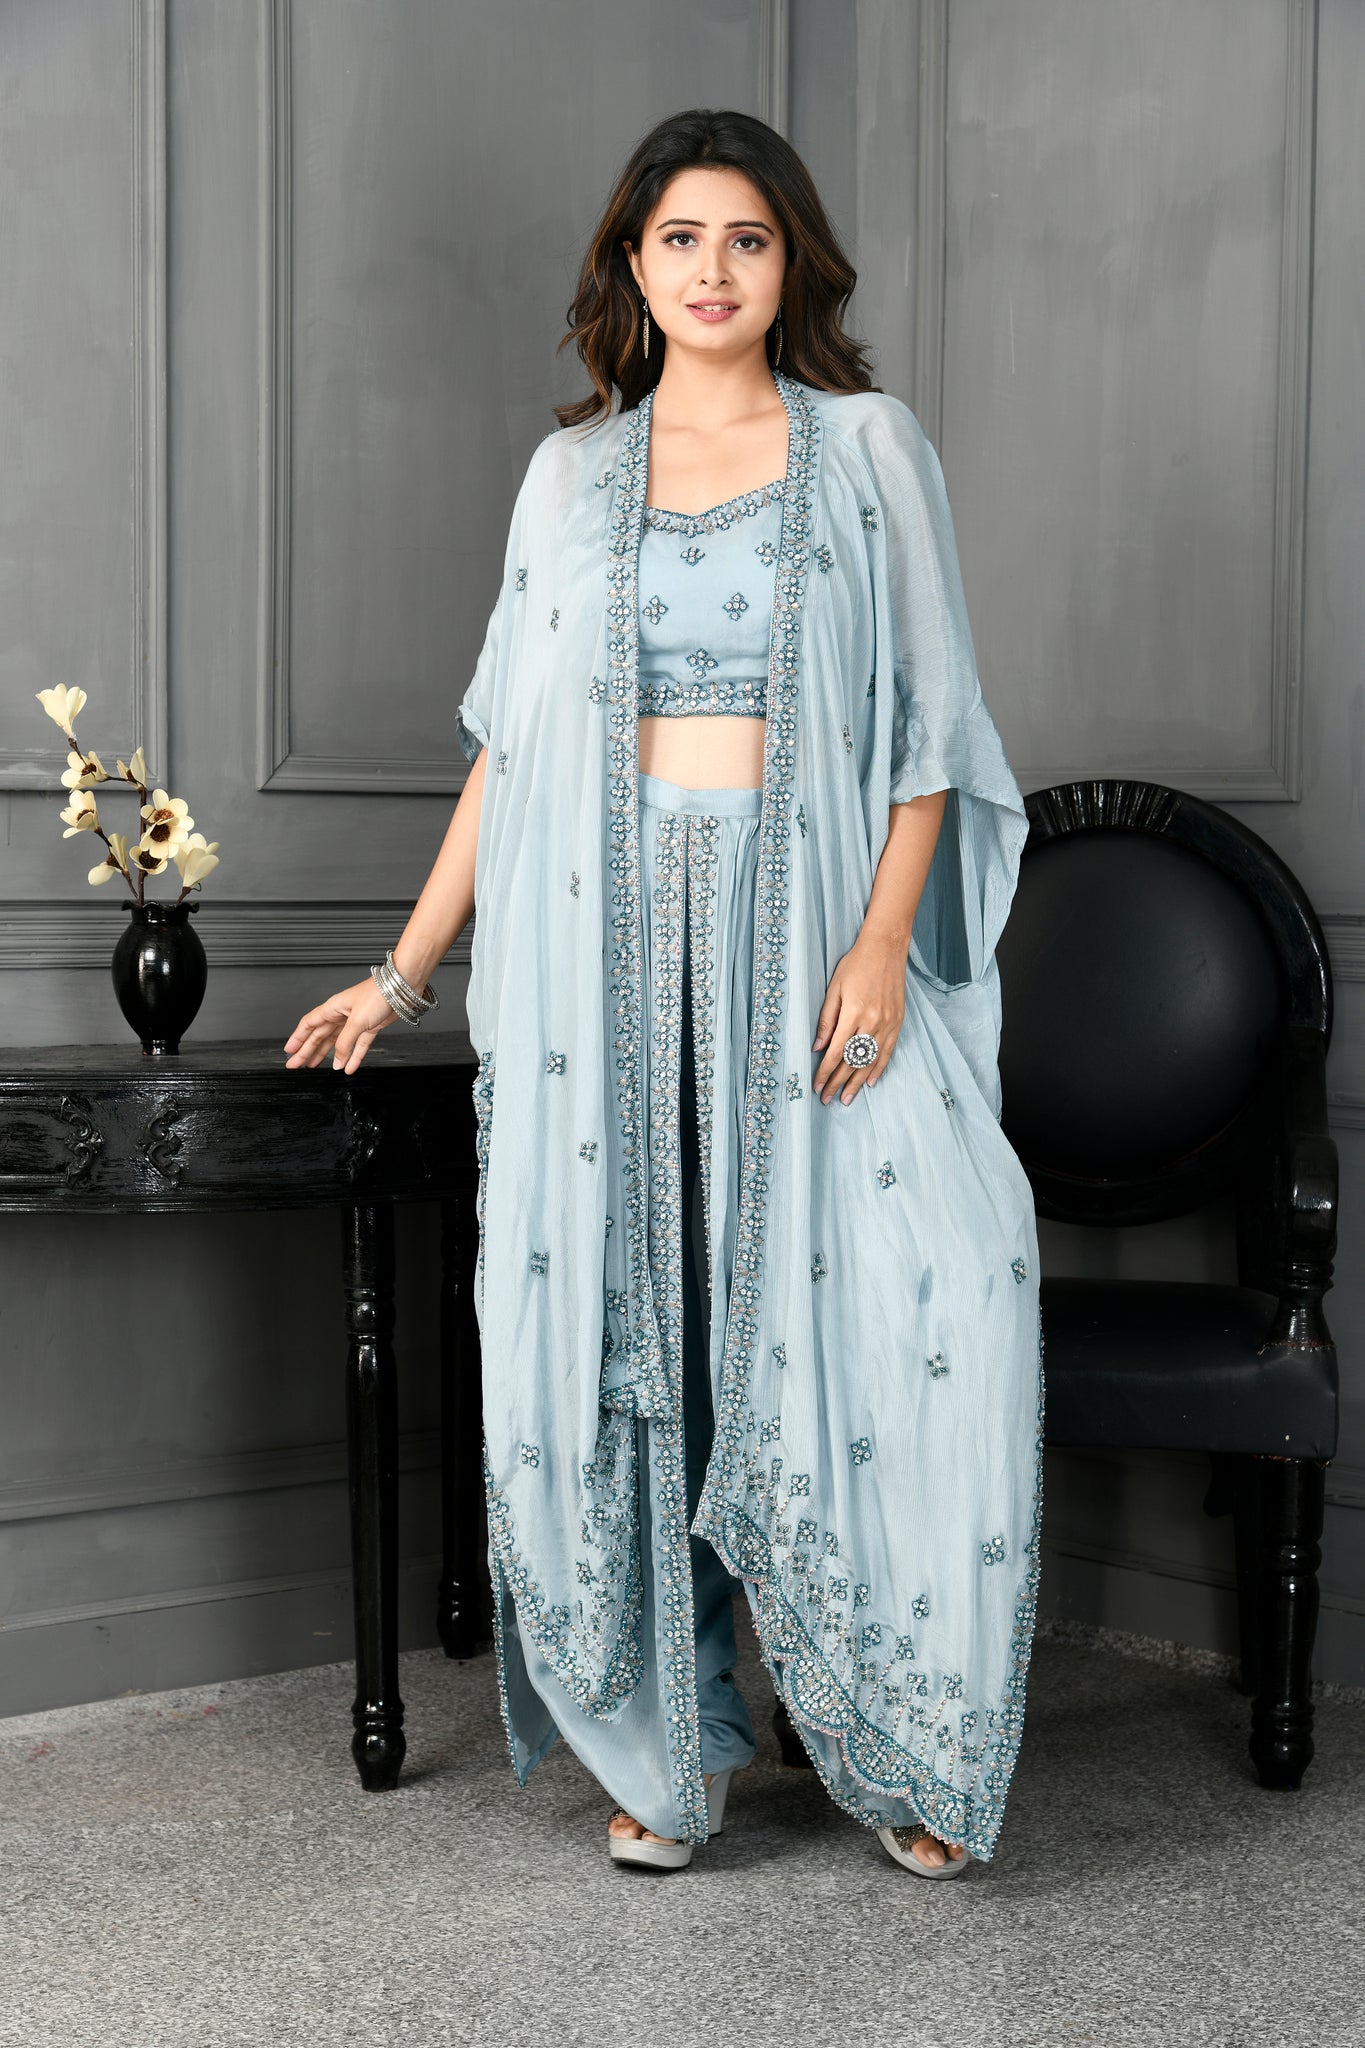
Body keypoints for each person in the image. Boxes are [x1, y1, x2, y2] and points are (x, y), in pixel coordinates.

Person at [284, 108, 1044, 1881]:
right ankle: (670, 1740)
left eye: (747, 239)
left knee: (922, 1290)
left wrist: (881, 942)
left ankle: (901, 1744)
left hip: (808, 936)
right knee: (642, 1327)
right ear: (631, 265)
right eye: (681, 238)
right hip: (600, 954)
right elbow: (505, 750)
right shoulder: (570, 479)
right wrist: (403, 969)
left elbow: (931, 725)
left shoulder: (867, 450)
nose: (713, 270)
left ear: (794, 265)